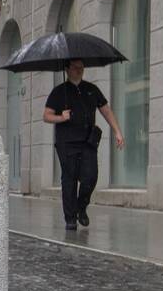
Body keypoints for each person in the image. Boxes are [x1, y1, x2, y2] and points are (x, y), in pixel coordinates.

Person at [43, 59, 125, 230]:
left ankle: (81, 207)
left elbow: (106, 110)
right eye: (75, 67)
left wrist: (117, 131)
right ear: (67, 69)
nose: (79, 70)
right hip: (67, 143)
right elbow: (46, 116)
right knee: (69, 179)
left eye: (81, 67)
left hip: (88, 142)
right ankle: (70, 218)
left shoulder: (91, 89)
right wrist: (61, 118)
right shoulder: (59, 92)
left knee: (90, 177)